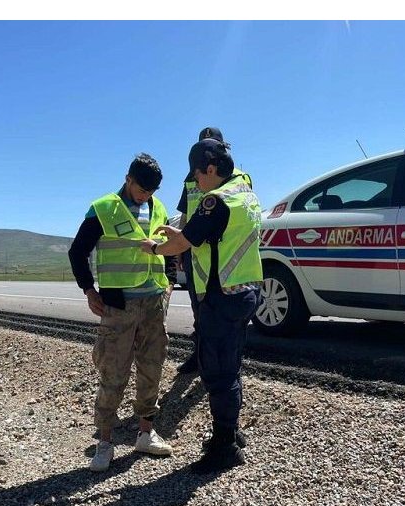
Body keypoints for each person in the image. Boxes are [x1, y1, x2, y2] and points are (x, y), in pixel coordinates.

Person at [141, 139, 262, 473]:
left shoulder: (215, 202)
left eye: (197, 173)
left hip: (220, 297)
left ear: (211, 168)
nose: (194, 180)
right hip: (245, 291)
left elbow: (181, 243)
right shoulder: (245, 193)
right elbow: (204, 235)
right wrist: (180, 233)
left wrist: (152, 248)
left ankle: (224, 448)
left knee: (217, 375)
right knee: (232, 366)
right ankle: (232, 434)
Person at [68, 153, 175, 472]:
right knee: (113, 371)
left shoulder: (158, 207)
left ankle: (145, 433)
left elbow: (166, 245)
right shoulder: (103, 208)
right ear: (128, 179)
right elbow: (78, 251)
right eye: (143, 190)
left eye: (152, 191)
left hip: (154, 301)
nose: (147, 196)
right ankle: (104, 442)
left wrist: (168, 279)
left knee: (152, 367)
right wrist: (88, 289)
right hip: (118, 304)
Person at [173, 127, 253, 375]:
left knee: (228, 314)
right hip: (193, 248)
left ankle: (229, 364)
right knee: (200, 311)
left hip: (225, 251)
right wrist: (180, 251)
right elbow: (186, 215)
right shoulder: (191, 177)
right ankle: (200, 358)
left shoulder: (240, 177)